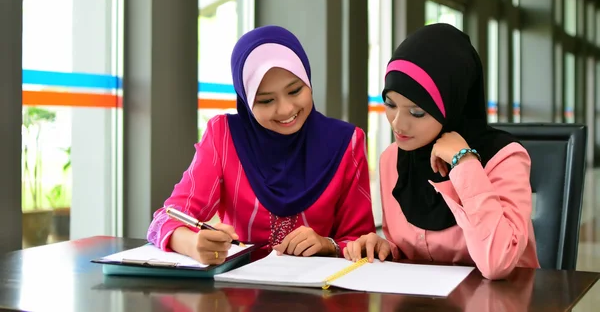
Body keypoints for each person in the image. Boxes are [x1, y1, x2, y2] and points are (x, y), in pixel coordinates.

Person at [147, 25, 376, 264]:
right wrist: (193, 244)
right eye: (266, 100)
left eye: (295, 90)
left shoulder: (345, 141)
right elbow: (164, 220)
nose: (286, 109)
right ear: (246, 101)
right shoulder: (224, 137)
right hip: (239, 293)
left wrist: (327, 245)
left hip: (320, 292)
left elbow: (362, 241)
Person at [344, 23, 540, 280]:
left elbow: (498, 263)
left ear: (452, 103)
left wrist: (465, 163)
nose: (397, 124)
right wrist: (386, 249)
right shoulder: (392, 159)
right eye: (390, 105)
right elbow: (411, 251)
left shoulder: (505, 158)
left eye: (417, 112)